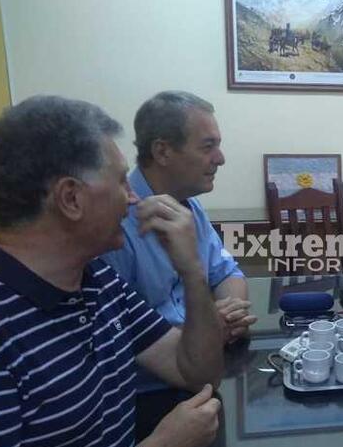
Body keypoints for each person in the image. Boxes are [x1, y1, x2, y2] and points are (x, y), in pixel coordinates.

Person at [0, 96, 224, 447]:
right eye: (119, 182)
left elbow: (197, 372)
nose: (132, 198)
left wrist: (192, 271)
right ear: (71, 199)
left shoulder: (95, 278)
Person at [103, 91, 254, 344]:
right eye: (208, 147)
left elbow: (227, 273)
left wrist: (230, 315)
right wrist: (205, 329)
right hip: (156, 377)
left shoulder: (191, 205)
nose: (221, 158)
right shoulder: (114, 221)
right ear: (162, 152)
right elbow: (118, 334)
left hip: (206, 356)